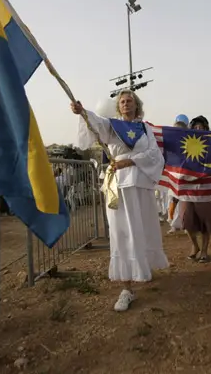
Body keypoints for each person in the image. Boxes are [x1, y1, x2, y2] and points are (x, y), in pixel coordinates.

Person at [71, 89, 168, 312]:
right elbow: (95, 123)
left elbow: (155, 155)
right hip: (119, 186)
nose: (125, 103)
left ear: (136, 105)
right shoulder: (112, 126)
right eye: (122, 101)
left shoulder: (145, 129)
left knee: (142, 229)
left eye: (129, 100)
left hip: (140, 185)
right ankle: (127, 288)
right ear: (119, 106)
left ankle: (142, 270)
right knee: (122, 231)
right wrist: (82, 111)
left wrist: (131, 161)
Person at [181, 116, 211, 262]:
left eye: (201, 127)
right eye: (196, 127)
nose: (198, 129)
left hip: (205, 187)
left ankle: (205, 251)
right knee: (187, 220)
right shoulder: (184, 144)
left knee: (206, 221)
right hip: (187, 188)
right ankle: (195, 246)